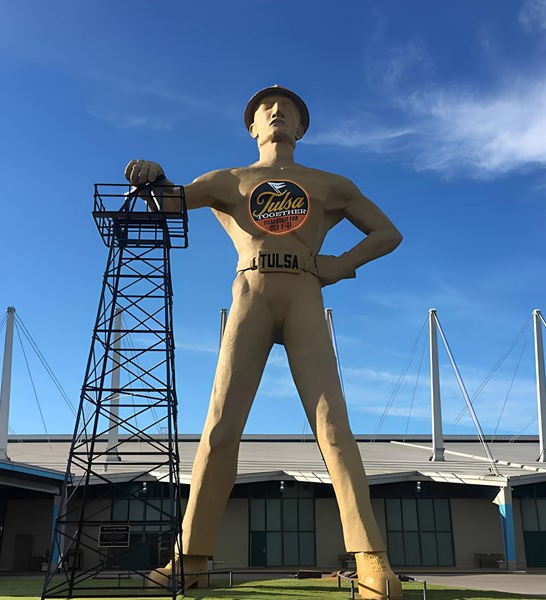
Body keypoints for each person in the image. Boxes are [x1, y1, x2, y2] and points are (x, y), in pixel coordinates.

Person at [125, 85, 403, 599]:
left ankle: (372, 559)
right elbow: (173, 201)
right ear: (252, 128)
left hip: (304, 293)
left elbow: (386, 233)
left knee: (334, 428)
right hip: (250, 289)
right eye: (264, 110)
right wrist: (155, 176)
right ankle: (190, 558)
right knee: (220, 430)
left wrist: (340, 265)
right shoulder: (229, 179)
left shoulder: (328, 184)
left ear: (301, 128)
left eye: (289, 110)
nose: (276, 112)